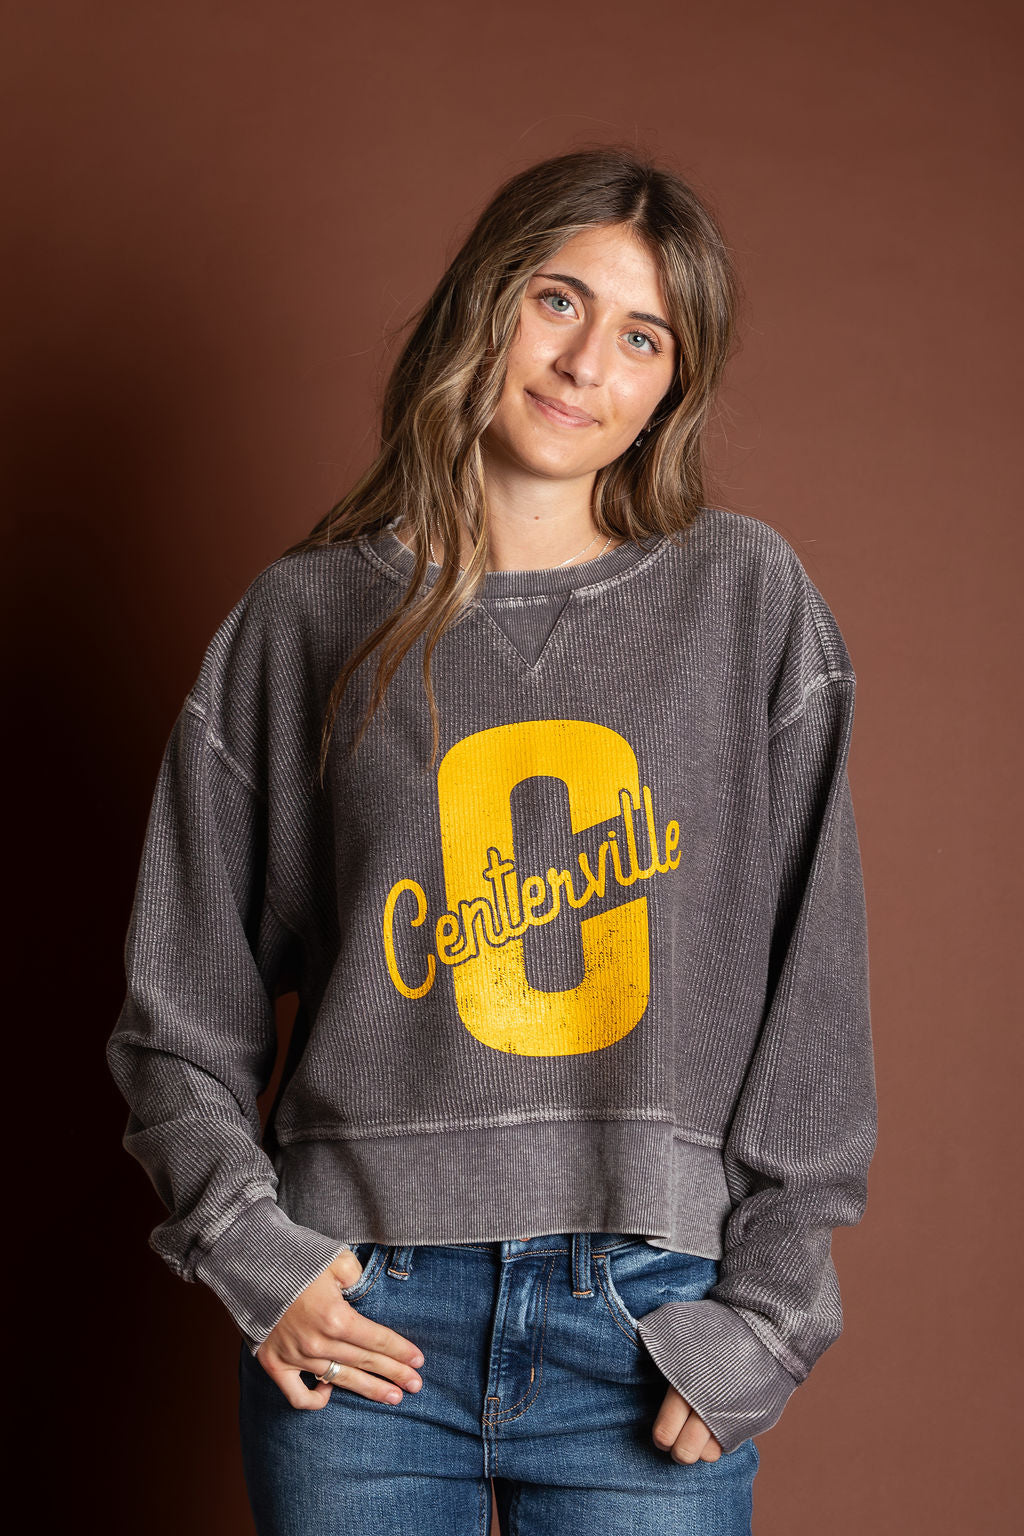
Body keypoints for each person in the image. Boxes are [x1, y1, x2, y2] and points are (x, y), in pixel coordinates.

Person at [107, 145, 878, 1535]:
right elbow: (178, 1015)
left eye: (643, 336)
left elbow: (812, 990)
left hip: (645, 1324)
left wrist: (769, 1311)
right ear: (486, 303)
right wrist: (251, 1249)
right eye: (557, 300)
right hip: (364, 1327)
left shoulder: (745, 601)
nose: (585, 362)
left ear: (673, 388)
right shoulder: (305, 621)